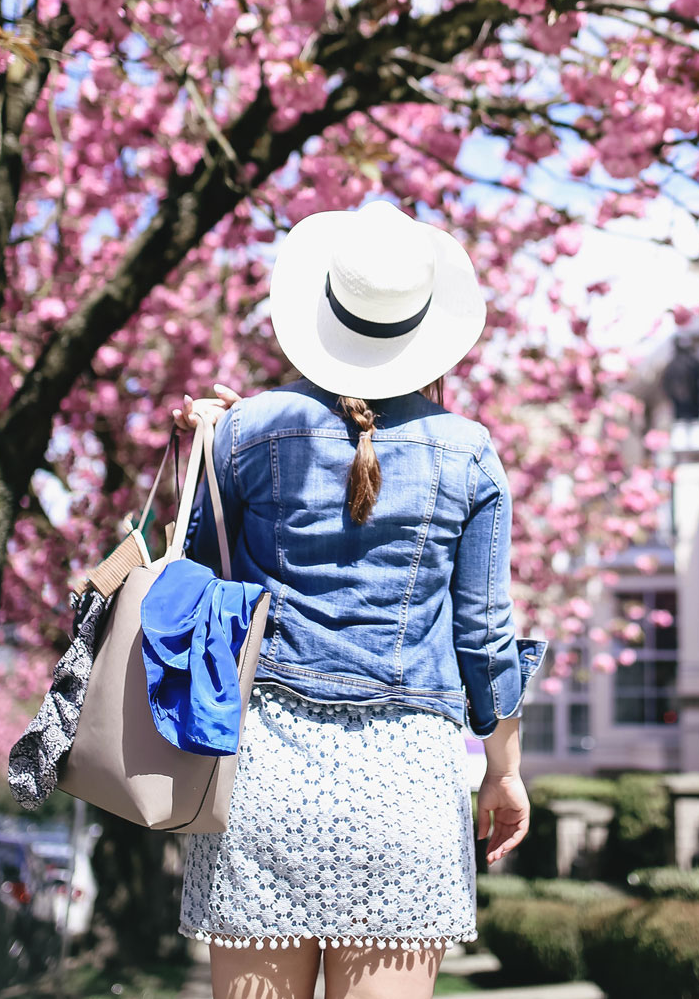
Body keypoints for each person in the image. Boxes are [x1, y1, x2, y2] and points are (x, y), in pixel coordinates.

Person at [170, 200, 546, 999]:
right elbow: (485, 636)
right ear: (424, 326)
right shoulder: (469, 451)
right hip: (405, 787)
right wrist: (505, 772)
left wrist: (206, 449)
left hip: (262, 779)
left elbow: (197, 594)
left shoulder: (246, 433)